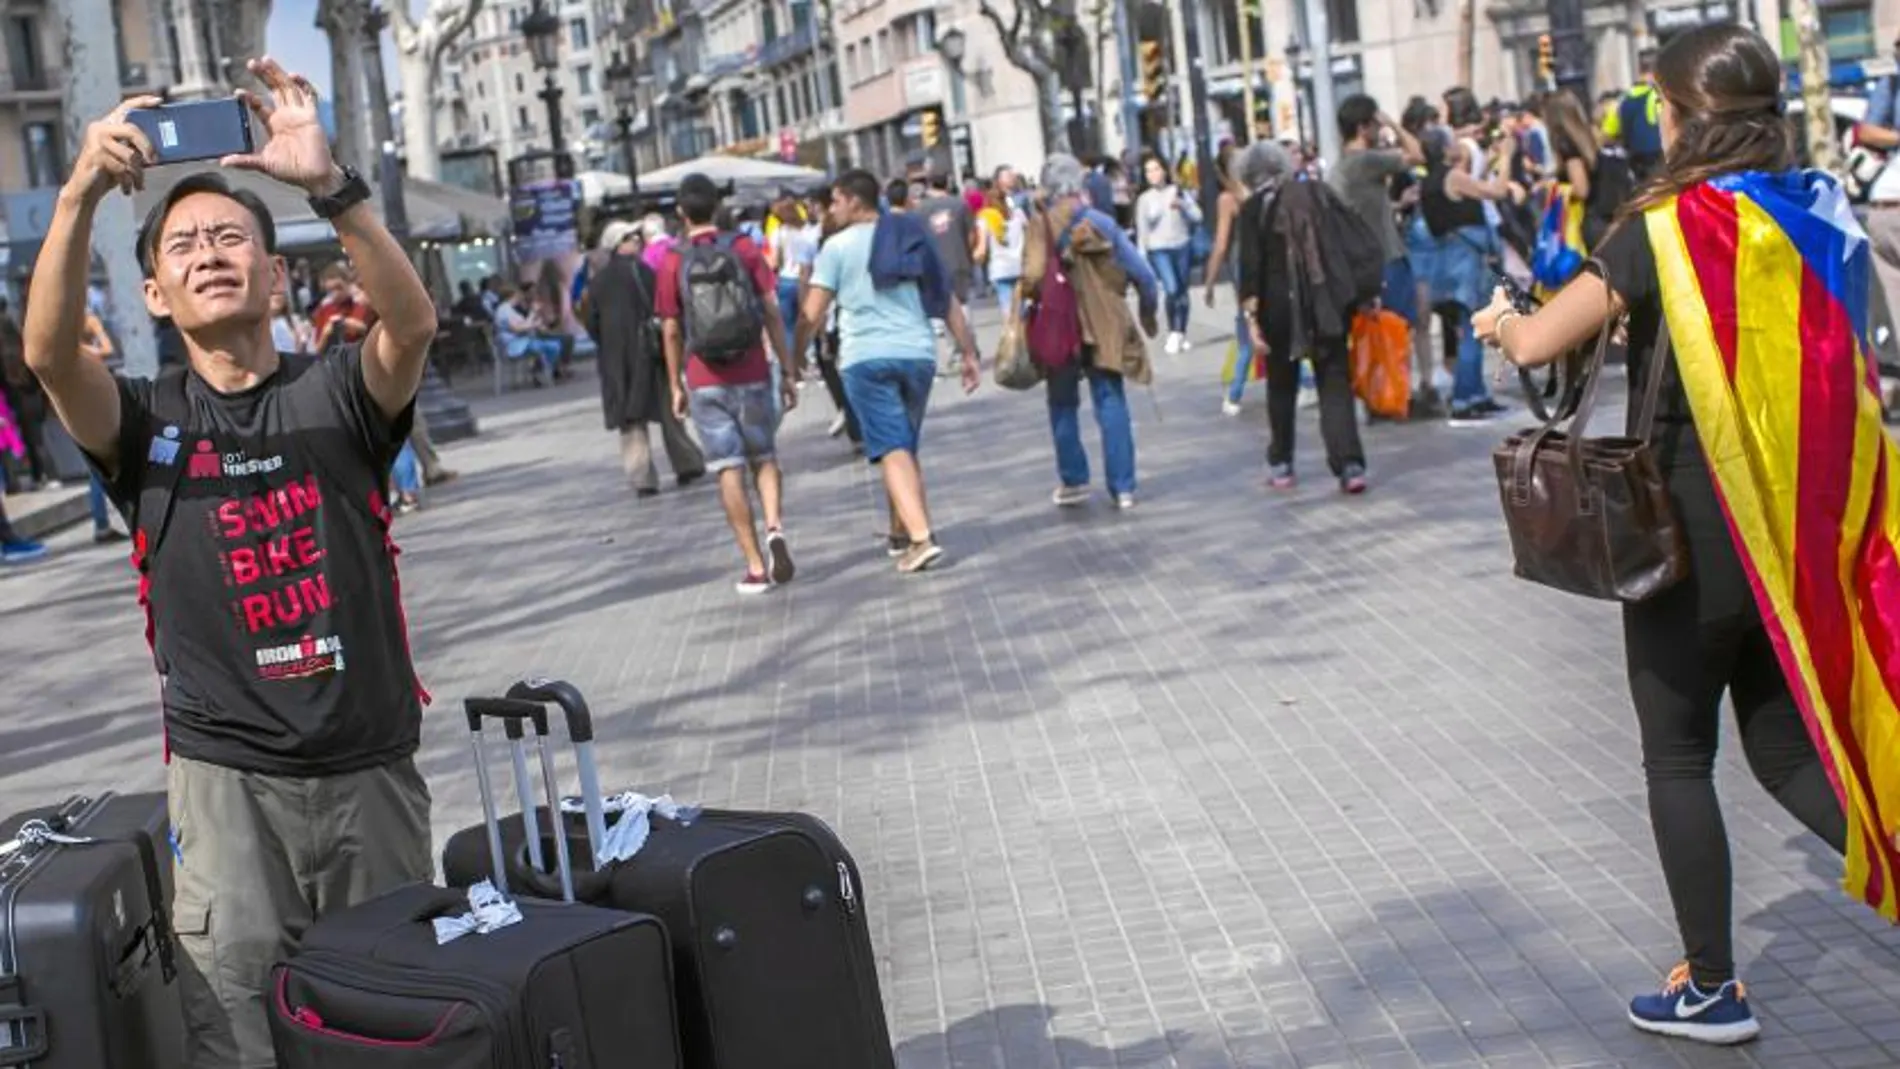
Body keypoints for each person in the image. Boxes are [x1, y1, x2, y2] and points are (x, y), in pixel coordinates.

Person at [1472, 24, 1885, 1045]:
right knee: (1785, 750)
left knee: (1677, 757)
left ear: (1677, 115)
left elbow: (1535, 340)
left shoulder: (1661, 228)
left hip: (1683, 539)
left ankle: (1711, 987)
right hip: (1788, 544)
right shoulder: (1819, 214)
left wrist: (1494, 324)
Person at [22, 59, 437, 1068]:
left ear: (275, 272)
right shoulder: (146, 420)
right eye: (183, 246)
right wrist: (78, 194)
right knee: (239, 1038)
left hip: (370, 772)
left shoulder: (340, 393)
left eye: (230, 238)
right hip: (225, 791)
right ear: (155, 292)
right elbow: (46, 355)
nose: (209, 255)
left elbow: (412, 322)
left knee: (399, 1030)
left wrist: (327, 185)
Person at [797, 169, 980, 572]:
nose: (833, 208)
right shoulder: (908, 235)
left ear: (852, 201)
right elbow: (944, 297)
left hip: (865, 359)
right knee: (902, 446)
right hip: (917, 353)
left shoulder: (837, 248)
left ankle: (921, 537)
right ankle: (900, 532)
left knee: (892, 449)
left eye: (836, 201)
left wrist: (794, 356)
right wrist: (968, 351)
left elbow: (812, 312)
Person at [657, 173, 798, 595]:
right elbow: (771, 310)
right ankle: (774, 526)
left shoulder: (672, 260)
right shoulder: (744, 248)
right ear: (717, 206)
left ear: (681, 212)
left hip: (705, 378)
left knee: (727, 468)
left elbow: (670, 329)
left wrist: (675, 384)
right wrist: (788, 369)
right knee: (765, 456)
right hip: (752, 368)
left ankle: (756, 566)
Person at [1021, 155, 1159, 510]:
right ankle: (1123, 487)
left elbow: (1033, 277)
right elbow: (1143, 273)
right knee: (1110, 399)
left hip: (1060, 323)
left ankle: (1074, 479)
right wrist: (1148, 313)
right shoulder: (1102, 223)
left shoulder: (1042, 225)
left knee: (1063, 401)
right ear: (1078, 186)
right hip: (1104, 322)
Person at [1234, 140, 1371, 494]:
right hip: (1325, 300)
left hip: (1277, 308)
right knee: (1334, 380)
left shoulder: (1252, 209)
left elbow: (1250, 269)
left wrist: (1251, 319)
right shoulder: (1317, 192)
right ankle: (1349, 464)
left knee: (1281, 383)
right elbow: (1349, 239)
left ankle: (1282, 462)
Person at [584, 219, 706, 497]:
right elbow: (665, 310)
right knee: (668, 411)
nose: (637, 240)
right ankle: (687, 462)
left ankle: (642, 478)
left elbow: (591, 321)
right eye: (631, 236)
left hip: (616, 360)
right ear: (618, 243)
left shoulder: (599, 281)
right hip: (651, 352)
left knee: (631, 419)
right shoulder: (646, 272)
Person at [1420, 133, 1521, 424]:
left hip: (1447, 259)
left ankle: (1476, 395)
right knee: (1472, 325)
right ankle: (1465, 400)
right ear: (1443, 151)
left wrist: (1489, 161)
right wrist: (1506, 158)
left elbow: (1472, 187)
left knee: (1470, 326)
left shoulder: (1431, 180)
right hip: (1464, 260)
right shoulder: (1452, 177)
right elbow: (1497, 192)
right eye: (1450, 142)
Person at [1201, 144, 1255, 415]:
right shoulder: (1261, 190)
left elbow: (1221, 244)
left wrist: (1209, 282)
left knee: (1247, 331)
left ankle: (1234, 394)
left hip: (1243, 265)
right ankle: (1305, 380)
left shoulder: (1228, 200)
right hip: (1269, 259)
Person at [1134, 154, 1201, 354]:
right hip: (1158, 248)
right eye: (1148, 171)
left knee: (1182, 291)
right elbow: (1142, 230)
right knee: (1171, 288)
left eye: (1155, 169)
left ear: (1164, 170)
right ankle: (1173, 331)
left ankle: (1181, 332)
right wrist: (1142, 256)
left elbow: (1198, 216)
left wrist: (1183, 205)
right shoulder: (1144, 199)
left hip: (1181, 244)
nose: (1152, 174)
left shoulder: (1177, 192)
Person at [493, 282, 566, 385]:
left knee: (554, 344)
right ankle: (542, 371)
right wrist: (533, 323)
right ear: (512, 296)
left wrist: (533, 315)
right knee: (553, 346)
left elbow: (525, 324)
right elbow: (517, 328)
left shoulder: (507, 310)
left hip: (520, 342)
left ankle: (541, 370)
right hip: (515, 345)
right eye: (518, 295)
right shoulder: (504, 311)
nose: (520, 297)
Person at [308, 261, 372, 350]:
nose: (335, 294)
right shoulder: (324, 310)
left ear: (348, 284)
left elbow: (369, 331)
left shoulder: (359, 305)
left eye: (339, 288)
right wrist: (326, 334)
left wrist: (346, 323)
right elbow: (317, 348)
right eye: (330, 290)